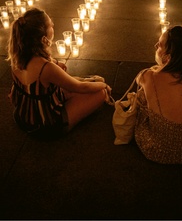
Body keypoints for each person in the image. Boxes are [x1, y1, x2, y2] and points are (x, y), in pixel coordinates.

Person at [7, 8, 112, 138]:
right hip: (44, 126)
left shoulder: (17, 57)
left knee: (82, 84)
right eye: (50, 25)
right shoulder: (45, 67)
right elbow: (81, 87)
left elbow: (17, 90)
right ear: (44, 38)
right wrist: (104, 85)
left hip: (22, 117)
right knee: (100, 93)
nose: (53, 25)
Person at [134, 25, 182, 164]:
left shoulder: (148, 76)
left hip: (157, 151)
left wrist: (157, 70)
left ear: (167, 57)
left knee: (142, 95)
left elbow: (138, 79)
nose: (155, 45)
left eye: (160, 45)